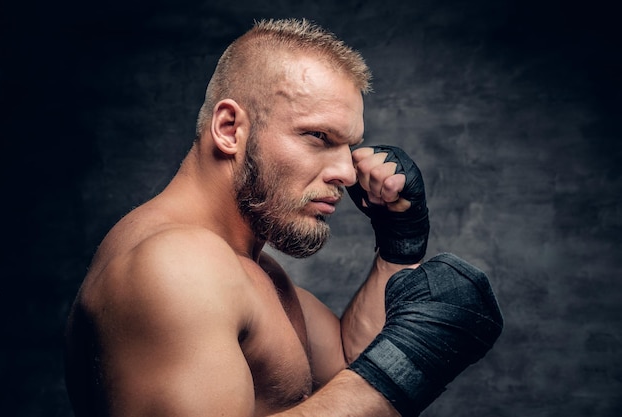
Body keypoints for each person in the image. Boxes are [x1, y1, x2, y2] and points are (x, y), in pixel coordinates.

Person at [65, 18, 503, 417]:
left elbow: (348, 369)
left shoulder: (248, 268)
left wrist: (398, 245)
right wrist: (406, 367)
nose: (347, 172)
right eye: (319, 136)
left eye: (347, 146)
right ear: (230, 129)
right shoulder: (175, 265)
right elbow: (373, 384)